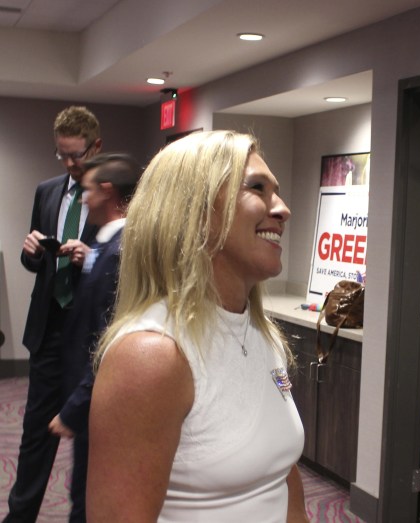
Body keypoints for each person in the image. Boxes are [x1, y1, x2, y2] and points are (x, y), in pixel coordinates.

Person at [86, 130, 308, 521]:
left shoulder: (260, 331)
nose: (284, 209)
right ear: (197, 213)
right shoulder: (152, 355)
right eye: (257, 188)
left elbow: (280, 473)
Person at [7, 106, 102, 522]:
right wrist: (30, 253)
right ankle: (20, 516)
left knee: (92, 440)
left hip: (91, 339)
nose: (68, 164)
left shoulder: (117, 194)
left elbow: (129, 261)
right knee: (35, 435)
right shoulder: (47, 191)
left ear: (95, 147)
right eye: (61, 155)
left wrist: (91, 258)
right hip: (47, 331)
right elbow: (35, 266)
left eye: (76, 155)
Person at [46, 153, 142, 522]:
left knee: (91, 501)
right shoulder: (106, 247)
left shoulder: (121, 252)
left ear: (106, 191)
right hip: (92, 400)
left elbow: (107, 341)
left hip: (100, 403)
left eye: (87, 190)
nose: (83, 199)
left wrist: (75, 408)